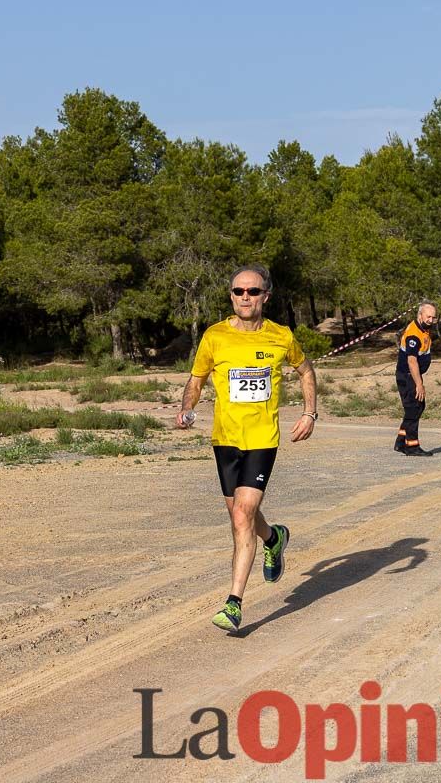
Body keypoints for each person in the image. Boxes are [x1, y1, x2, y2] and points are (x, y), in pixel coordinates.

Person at [177, 264, 318, 632]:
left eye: (253, 292)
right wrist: (187, 407)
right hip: (225, 439)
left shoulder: (280, 336)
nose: (245, 297)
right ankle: (274, 537)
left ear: (265, 296)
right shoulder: (215, 336)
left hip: (261, 439)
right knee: (240, 517)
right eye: (238, 291)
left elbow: (306, 370)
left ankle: (234, 603)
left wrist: (309, 413)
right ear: (231, 296)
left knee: (242, 515)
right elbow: (197, 378)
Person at [395, 302, 438, 456]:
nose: (431, 320)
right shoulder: (414, 334)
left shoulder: (423, 329)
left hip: (412, 376)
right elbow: (411, 361)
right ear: (420, 315)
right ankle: (412, 446)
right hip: (408, 376)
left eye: (433, 317)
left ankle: (401, 441)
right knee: (414, 408)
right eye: (428, 316)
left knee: (418, 407)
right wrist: (419, 384)